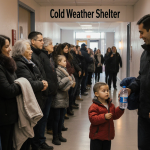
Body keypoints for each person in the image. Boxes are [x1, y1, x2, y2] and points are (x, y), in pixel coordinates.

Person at [12, 39, 48, 150]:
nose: (31, 51)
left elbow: (36, 77)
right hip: (27, 102)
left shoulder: (28, 62)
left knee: (33, 131)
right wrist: (42, 84)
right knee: (28, 134)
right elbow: (29, 84)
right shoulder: (20, 64)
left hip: (36, 98)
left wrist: (42, 82)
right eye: (28, 49)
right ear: (21, 51)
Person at [124, 14, 150, 150]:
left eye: (141, 32)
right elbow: (141, 77)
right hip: (144, 111)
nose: (140, 36)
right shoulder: (145, 54)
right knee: (143, 146)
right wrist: (130, 89)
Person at [28, 32, 53, 150]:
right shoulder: (32, 55)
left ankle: (40, 141)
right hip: (38, 91)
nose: (43, 42)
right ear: (33, 41)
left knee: (43, 118)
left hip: (44, 90)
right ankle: (36, 144)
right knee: (38, 120)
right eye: (40, 40)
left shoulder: (39, 54)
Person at [0, 35, 21, 150]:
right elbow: (7, 90)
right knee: (5, 142)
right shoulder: (1, 67)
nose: (10, 49)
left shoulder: (7, 63)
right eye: (7, 46)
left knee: (9, 143)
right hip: (4, 114)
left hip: (10, 112)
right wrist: (22, 85)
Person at [89, 82, 124, 150]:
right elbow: (93, 119)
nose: (107, 92)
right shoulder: (94, 107)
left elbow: (114, 115)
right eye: (104, 91)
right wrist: (104, 117)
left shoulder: (111, 105)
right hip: (97, 137)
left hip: (107, 137)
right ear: (96, 94)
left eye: (107, 90)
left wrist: (120, 108)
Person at [51, 55, 75, 145]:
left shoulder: (64, 70)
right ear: (59, 62)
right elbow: (59, 85)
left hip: (64, 97)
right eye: (64, 61)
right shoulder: (57, 71)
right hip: (58, 98)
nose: (66, 62)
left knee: (61, 118)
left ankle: (59, 134)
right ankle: (55, 137)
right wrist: (67, 79)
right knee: (56, 119)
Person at [40, 37, 58, 135]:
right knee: (43, 116)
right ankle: (41, 140)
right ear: (45, 46)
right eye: (51, 44)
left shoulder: (49, 56)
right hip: (46, 91)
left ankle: (42, 139)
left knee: (47, 115)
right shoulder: (42, 56)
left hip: (51, 90)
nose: (53, 46)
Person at [56, 43, 75, 116]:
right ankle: (65, 111)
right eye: (66, 48)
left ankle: (67, 109)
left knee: (69, 96)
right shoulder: (60, 57)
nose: (67, 49)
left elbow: (71, 66)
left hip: (69, 76)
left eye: (68, 48)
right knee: (65, 96)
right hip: (65, 78)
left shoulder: (69, 56)